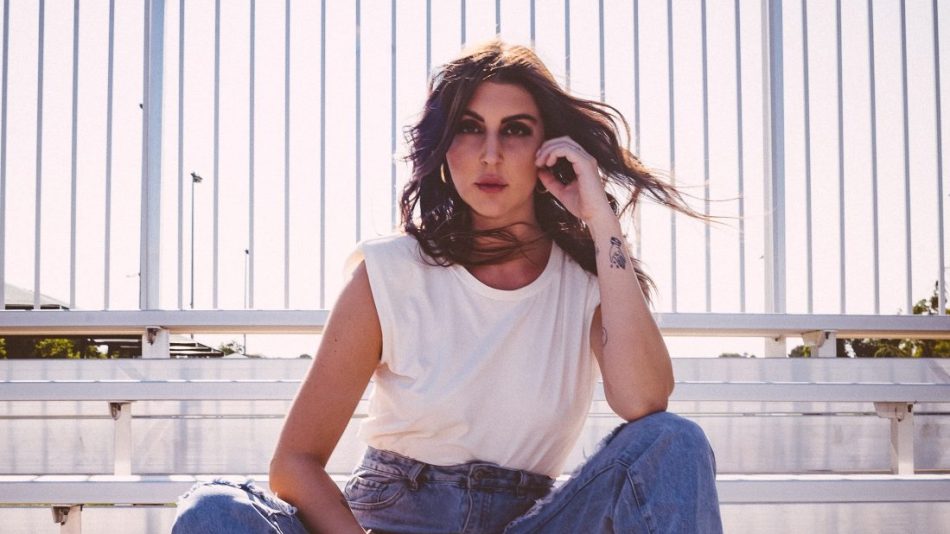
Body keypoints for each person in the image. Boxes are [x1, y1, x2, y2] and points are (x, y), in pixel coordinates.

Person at [172, 40, 722, 534]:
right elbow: (295, 462)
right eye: (469, 127)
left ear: (549, 147)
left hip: (528, 522)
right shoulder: (390, 272)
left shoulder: (590, 285)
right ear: (444, 147)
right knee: (215, 512)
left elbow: (645, 402)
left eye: (515, 129)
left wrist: (602, 223)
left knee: (673, 440)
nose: (490, 153)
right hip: (390, 520)